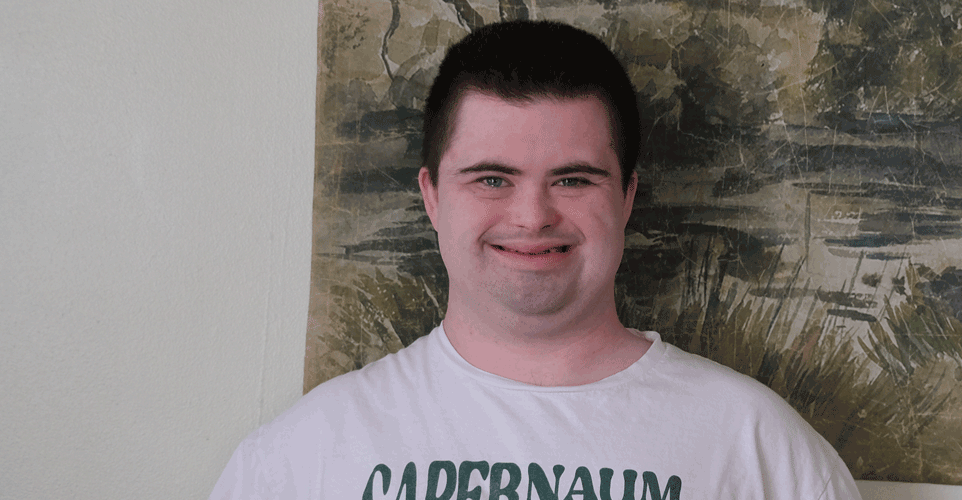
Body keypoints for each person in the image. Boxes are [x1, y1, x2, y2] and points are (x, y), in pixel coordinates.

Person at [211, 20, 861, 499]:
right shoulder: (299, 457)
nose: (532, 217)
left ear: (627, 195)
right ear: (432, 196)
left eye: (573, 180)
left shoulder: (761, 451)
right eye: (491, 179)